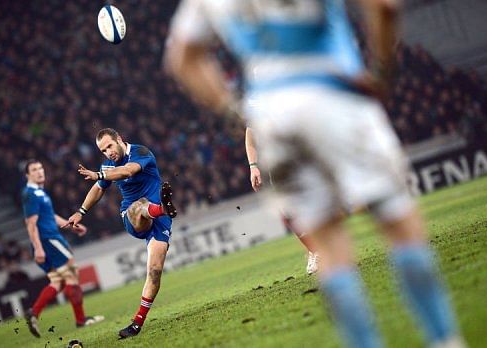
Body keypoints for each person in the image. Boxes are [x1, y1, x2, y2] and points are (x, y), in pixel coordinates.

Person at [166, 1, 465, 347]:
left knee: (329, 245)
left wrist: (234, 111)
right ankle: (444, 340)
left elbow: (182, 56)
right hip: (336, 97)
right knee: (398, 223)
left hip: (273, 118)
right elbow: (384, 5)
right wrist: (383, 71)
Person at [64, 128, 177, 339]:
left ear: (119, 140)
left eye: (109, 146)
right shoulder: (107, 166)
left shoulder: (141, 152)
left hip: (160, 220)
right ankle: (161, 207)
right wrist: (81, 211)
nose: (108, 152)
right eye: (103, 150)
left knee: (154, 271)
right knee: (141, 205)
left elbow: (127, 171)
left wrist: (99, 174)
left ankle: (136, 324)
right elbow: (99, 188)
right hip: (133, 216)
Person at [22, 159, 104, 338]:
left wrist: (70, 224)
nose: (39, 172)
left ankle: (34, 313)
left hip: (49, 239)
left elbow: (49, 215)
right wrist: (38, 248)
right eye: (34, 170)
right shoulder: (30, 194)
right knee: (72, 272)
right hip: (49, 240)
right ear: (27, 175)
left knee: (57, 281)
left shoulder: (39, 192)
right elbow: (30, 224)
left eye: (41, 168)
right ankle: (81, 320)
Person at [245, 126, 319, 274]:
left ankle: (326, 249)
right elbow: (250, 135)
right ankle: (315, 251)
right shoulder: (257, 105)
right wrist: (253, 167)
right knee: (287, 213)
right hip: (277, 166)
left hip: (306, 159)